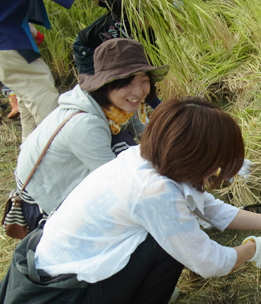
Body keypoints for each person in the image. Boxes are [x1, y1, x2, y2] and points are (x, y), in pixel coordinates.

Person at [0, 96, 261, 304]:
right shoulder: (154, 192)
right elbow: (207, 261)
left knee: (173, 234)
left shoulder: (145, 159)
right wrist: (252, 249)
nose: (220, 172)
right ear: (196, 157)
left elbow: (205, 205)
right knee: (170, 241)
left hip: (66, 281)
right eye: (218, 163)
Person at [14, 38, 168, 232]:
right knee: (125, 150)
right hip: (43, 204)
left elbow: (149, 136)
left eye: (144, 81)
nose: (138, 91)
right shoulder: (85, 124)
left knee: (132, 150)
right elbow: (117, 184)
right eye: (127, 83)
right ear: (107, 84)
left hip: (72, 182)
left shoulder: (118, 106)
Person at [0, 0, 70, 142]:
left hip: (12, 36)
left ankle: (29, 158)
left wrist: (26, 26)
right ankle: (59, 151)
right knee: (44, 99)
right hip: (8, 40)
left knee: (27, 99)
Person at [73, 0, 162, 109]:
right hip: (88, 48)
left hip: (110, 55)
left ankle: (157, 107)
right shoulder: (124, 9)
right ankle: (90, 110)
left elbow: (148, 64)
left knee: (136, 79)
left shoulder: (148, 36)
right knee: (97, 89)